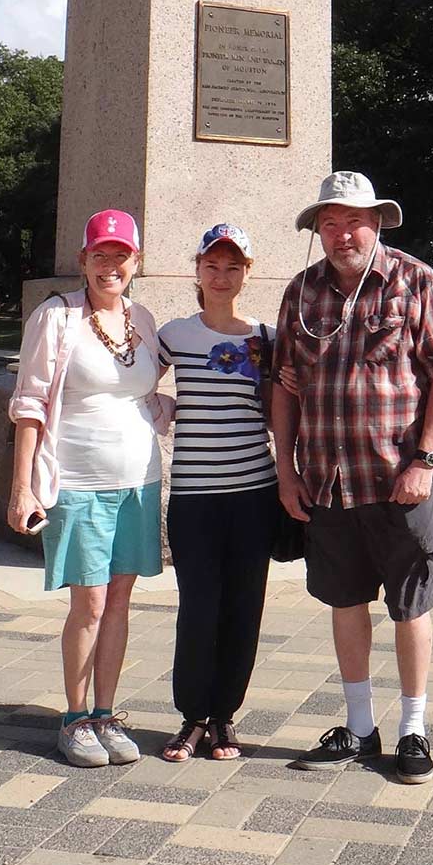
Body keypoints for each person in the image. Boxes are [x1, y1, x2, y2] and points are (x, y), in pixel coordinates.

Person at [273, 172, 433, 785]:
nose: (340, 233)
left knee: (410, 607)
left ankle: (414, 729)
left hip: (400, 481)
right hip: (328, 483)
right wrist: (286, 470)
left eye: (352, 220)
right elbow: (284, 388)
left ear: (377, 222)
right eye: (327, 223)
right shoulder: (301, 293)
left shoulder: (416, 280)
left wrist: (426, 459)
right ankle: (360, 729)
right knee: (345, 601)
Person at [8, 209, 168, 768]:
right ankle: (75, 718)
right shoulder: (56, 319)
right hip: (78, 480)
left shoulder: (143, 320)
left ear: (136, 262)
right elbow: (28, 406)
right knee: (90, 602)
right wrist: (23, 489)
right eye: (99, 254)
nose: (110, 265)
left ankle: (105, 711)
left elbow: (143, 392)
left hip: (140, 481)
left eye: (120, 255)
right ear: (83, 261)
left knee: (120, 599)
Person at [155, 224, 278, 763]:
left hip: (254, 493)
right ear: (197, 271)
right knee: (198, 607)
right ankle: (192, 717)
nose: (221, 275)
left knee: (243, 607)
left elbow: (281, 410)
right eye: (212, 265)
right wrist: (163, 410)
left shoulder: (267, 338)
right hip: (194, 497)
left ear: (246, 273)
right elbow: (130, 383)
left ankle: (225, 718)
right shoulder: (174, 335)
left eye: (233, 267)